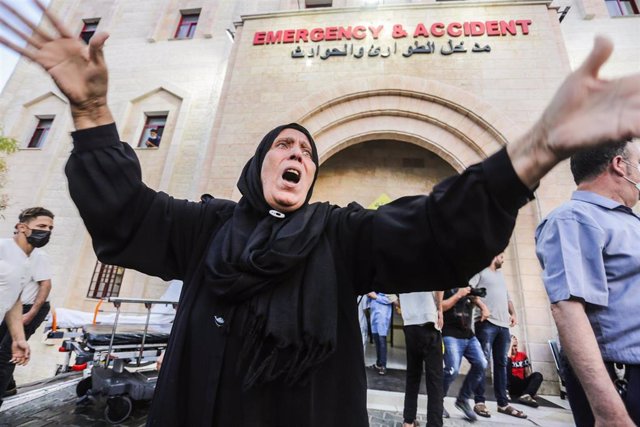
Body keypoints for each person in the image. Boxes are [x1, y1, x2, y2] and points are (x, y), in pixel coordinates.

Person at [2, 2, 639, 425]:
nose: (297, 154)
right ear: (256, 168)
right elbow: (123, 218)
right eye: (283, 145)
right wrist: (89, 115)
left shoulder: (340, 234)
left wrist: (535, 149)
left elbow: (434, 232)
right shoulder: (206, 228)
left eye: (306, 152)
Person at [536, 139, 640, 427]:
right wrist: (609, 411)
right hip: (623, 377)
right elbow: (567, 309)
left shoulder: (630, 222)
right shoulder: (574, 218)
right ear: (619, 165)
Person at [0, 207, 53, 407]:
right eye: (41, 226)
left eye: (50, 228)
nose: (46, 231)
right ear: (22, 227)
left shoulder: (34, 257)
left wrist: (19, 335)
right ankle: (9, 385)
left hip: (30, 308)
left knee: (4, 356)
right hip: (19, 309)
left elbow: (19, 297)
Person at [470, 254, 526, 419]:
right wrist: (483, 307)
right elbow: (470, 291)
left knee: (501, 364)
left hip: (503, 326)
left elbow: (507, 297)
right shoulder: (480, 270)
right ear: (494, 256)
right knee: (482, 363)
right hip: (486, 323)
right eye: (501, 256)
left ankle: (503, 403)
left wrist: (513, 313)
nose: (504, 258)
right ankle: (479, 402)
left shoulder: (500, 275)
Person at [441, 286, 489, 421]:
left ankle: (463, 399)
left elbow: (473, 300)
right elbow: (441, 306)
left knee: (481, 364)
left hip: (468, 335)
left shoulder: (466, 284)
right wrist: (458, 295)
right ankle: (437, 402)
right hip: (450, 334)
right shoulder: (444, 284)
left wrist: (480, 304)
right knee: (452, 370)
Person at [398, 291, 444, 427]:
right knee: (435, 380)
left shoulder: (398, 268)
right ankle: (434, 424)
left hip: (410, 322)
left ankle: (408, 421)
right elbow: (439, 287)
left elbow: (389, 290)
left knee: (412, 375)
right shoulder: (432, 267)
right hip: (429, 319)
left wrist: (402, 304)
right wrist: (440, 310)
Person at [508, 335, 543, 407]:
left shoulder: (522, 355)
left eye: (515, 346)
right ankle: (506, 392)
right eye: (512, 346)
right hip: (510, 384)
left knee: (538, 375)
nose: (514, 348)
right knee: (506, 368)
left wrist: (531, 387)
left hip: (521, 384)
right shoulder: (505, 356)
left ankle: (526, 395)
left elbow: (527, 374)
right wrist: (510, 346)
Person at [367, 291, 395, 375]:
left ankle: (383, 365)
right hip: (374, 316)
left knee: (382, 341)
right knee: (377, 341)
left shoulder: (387, 287)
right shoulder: (373, 288)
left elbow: (390, 300)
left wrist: (376, 297)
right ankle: (378, 363)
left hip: (383, 317)